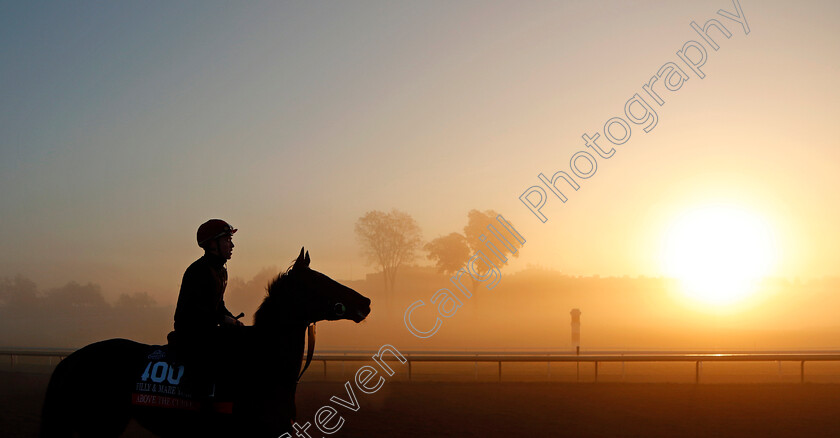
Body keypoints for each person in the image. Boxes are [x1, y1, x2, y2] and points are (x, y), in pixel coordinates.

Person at [169, 219, 243, 400]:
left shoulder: (220, 271)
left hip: (207, 329)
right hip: (191, 334)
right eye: (227, 240)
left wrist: (232, 319)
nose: (232, 245)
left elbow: (218, 305)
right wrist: (223, 319)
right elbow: (195, 310)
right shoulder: (198, 270)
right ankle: (200, 400)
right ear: (212, 244)